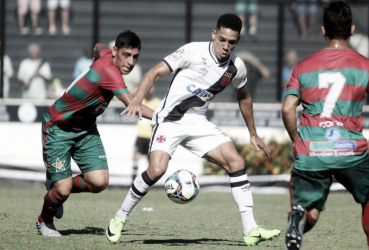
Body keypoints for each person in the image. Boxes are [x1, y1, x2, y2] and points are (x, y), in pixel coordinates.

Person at [106, 13, 281, 246]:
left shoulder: (236, 67)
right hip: (169, 118)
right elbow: (154, 72)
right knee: (157, 170)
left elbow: (244, 97)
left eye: (232, 42)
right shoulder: (192, 51)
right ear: (214, 34)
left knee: (236, 162)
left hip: (198, 122)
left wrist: (253, 133)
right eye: (222, 40)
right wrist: (137, 99)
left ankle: (250, 229)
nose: (226, 46)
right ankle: (120, 217)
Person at [35, 30, 154, 237]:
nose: (131, 62)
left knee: (99, 182)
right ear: (116, 51)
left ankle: (56, 187)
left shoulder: (107, 54)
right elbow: (134, 106)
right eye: (126, 55)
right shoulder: (110, 71)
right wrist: (169, 118)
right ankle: (44, 220)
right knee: (62, 190)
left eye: (135, 57)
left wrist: (96, 56)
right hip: (58, 128)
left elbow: (99, 46)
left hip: (86, 129)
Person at [282, 1, 369, 250]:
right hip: (350, 151)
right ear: (353, 30)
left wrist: (297, 139)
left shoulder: (303, 67)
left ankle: (299, 217)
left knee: (310, 208)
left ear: (323, 30)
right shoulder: (367, 66)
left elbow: (287, 108)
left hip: (312, 150)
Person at [131, 86, 161, 182]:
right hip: (140, 135)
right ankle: (133, 179)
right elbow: (130, 94)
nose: (148, 93)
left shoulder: (157, 102)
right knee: (136, 156)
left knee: (150, 160)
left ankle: (148, 180)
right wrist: (143, 87)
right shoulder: (141, 101)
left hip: (151, 136)